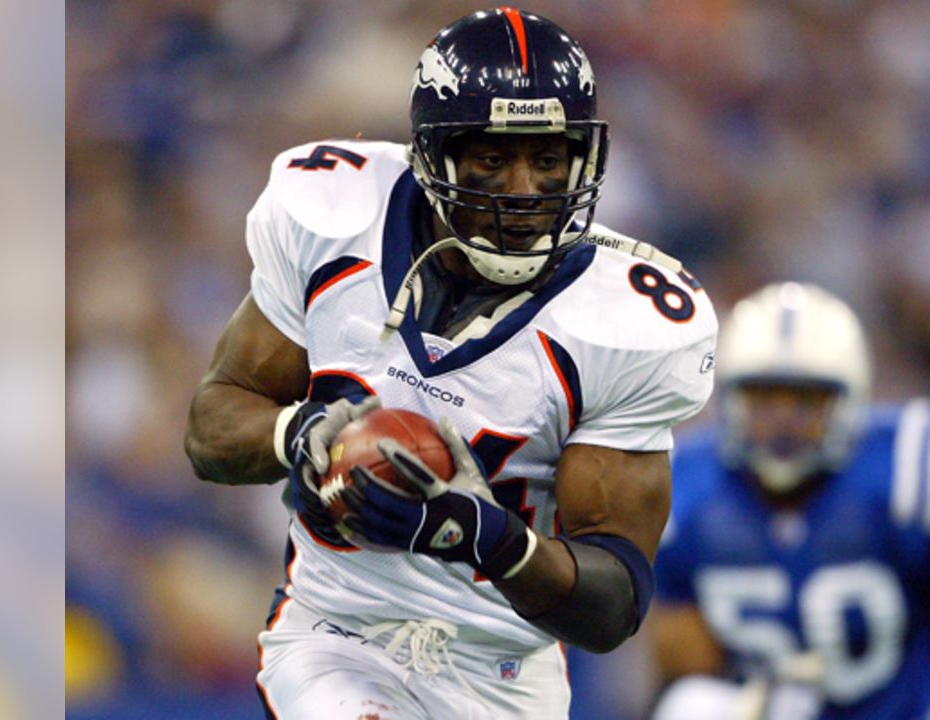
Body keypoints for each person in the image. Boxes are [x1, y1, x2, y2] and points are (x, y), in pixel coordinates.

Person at [183, 9, 717, 719]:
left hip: (501, 677)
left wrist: (484, 534)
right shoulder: (332, 215)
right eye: (494, 159)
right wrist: (296, 433)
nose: (525, 188)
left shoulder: (627, 323)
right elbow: (212, 428)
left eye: (548, 159)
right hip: (338, 635)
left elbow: (612, 604)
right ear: (433, 155)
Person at [649, 282, 930, 720]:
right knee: (690, 707)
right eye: (763, 399)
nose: (783, 422)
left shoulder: (907, 475)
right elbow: (686, 666)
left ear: (849, 400)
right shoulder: (691, 489)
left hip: (904, 713)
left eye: (804, 402)